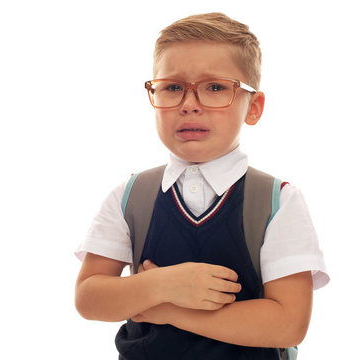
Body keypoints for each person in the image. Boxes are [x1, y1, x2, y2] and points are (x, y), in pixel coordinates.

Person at [74, 12, 329, 359]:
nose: (190, 105)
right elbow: (89, 298)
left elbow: (288, 323)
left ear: (253, 108)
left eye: (215, 87)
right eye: (173, 87)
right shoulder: (131, 197)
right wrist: (162, 284)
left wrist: (168, 309)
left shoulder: (277, 202)